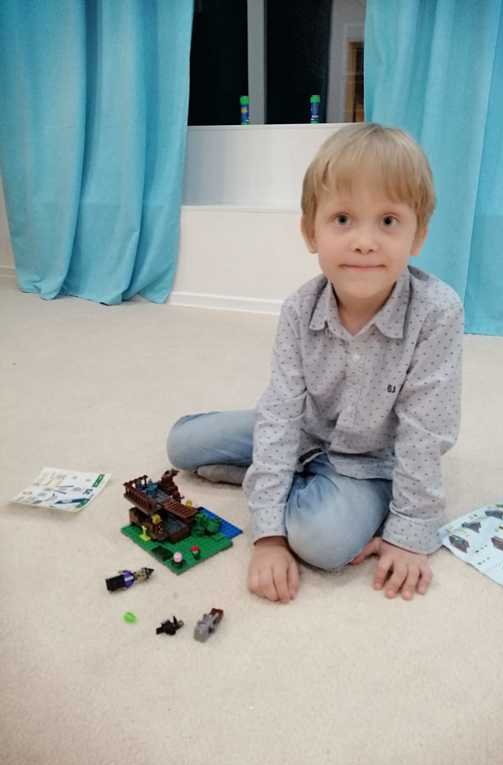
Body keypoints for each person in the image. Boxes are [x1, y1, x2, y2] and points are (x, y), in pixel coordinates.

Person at [167, 123, 463, 605]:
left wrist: (409, 531)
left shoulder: (437, 312)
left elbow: (426, 432)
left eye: (388, 221)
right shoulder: (298, 310)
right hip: (306, 430)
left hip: (370, 463)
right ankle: (288, 475)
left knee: (320, 542)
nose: (365, 241)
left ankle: (289, 480)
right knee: (182, 445)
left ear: (418, 235)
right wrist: (267, 535)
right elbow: (281, 412)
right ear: (311, 231)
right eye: (343, 219)